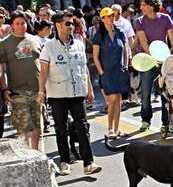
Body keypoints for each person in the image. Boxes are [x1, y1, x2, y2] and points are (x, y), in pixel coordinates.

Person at [38, 12, 102, 176]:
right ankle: (64, 161)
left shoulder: (79, 44)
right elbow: (43, 71)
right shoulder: (49, 47)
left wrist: (89, 90)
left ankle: (88, 163)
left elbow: (84, 69)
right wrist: (41, 91)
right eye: (67, 23)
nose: (71, 26)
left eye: (72, 23)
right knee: (61, 129)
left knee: (82, 127)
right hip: (57, 94)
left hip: (77, 92)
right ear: (58, 25)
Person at [0, 11, 43, 150]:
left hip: (36, 90)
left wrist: (44, 88)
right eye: (17, 23)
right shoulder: (4, 43)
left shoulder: (35, 40)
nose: (20, 26)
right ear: (12, 25)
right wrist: (5, 89)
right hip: (17, 92)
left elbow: (43, 65)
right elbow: (2, 69)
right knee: (24, 127)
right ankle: (26, 156)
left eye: (23, 23)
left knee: (37, 126)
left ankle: (36, 154)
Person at [134, 0, 173, 132]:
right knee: (146, 93)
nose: (141, 7)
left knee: (165, 93)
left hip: (164, 62)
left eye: (143, 4)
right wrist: (154, 57)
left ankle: (166, 122)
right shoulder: (140, 21)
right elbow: (143, 41)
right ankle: (146, 120)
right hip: (147, 61)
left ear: (151, 6)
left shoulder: (166, 19)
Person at [93, 7, 130, 139]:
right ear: (102, 19)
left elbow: (125, 51)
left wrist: (126, 65)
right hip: (107, 72)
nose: (111, 18)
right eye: (108, 16)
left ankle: (117, 128)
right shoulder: (99, 36)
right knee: (112, 100)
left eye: (112, 16)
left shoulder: (119, 33)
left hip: (119, 71)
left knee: (119, 100)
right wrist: (101, 72)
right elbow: (95, 56)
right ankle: (109, 129)